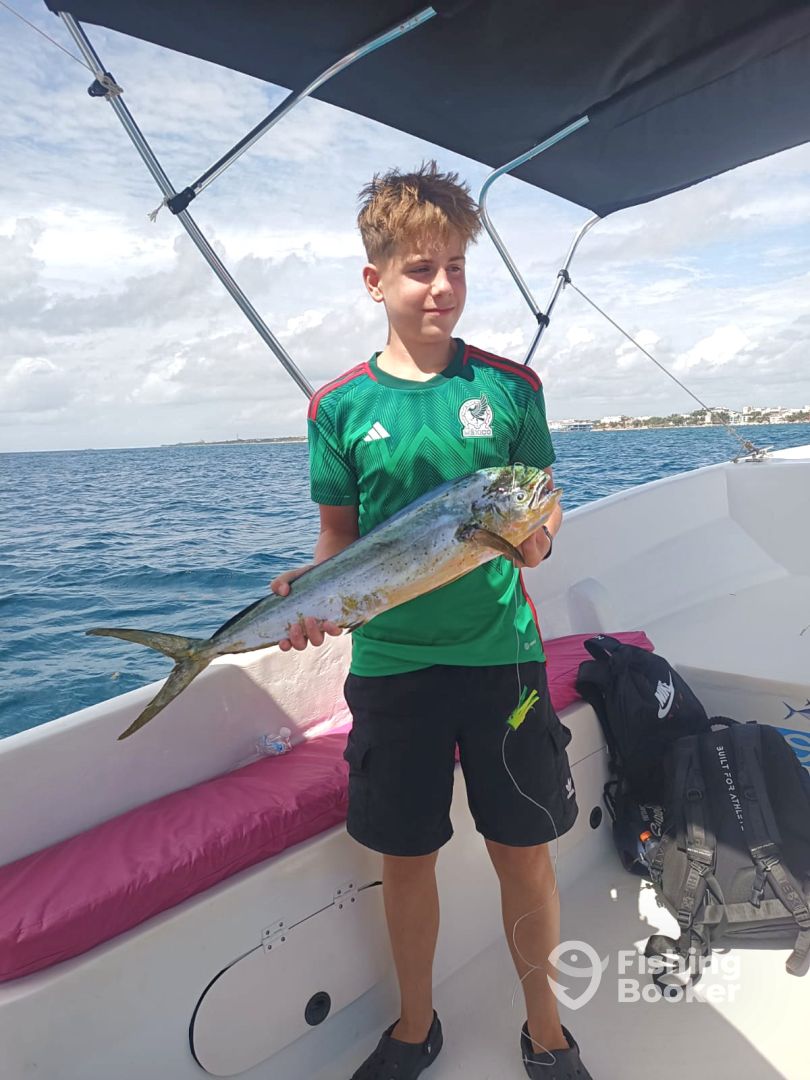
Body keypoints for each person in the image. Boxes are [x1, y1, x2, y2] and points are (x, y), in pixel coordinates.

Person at [270, 162, 592, 1080]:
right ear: (375, 280)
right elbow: (340, 539)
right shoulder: (339, 407)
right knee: (406, 859)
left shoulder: (511, 387)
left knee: (522, 853)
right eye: (420, 268)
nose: (442, 285)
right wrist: (314, 592)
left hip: (502, 661)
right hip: (393, 667)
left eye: (455, 266)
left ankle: (546, 1031)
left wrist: (536, 542)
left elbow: (542, 506)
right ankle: (416, 1027)